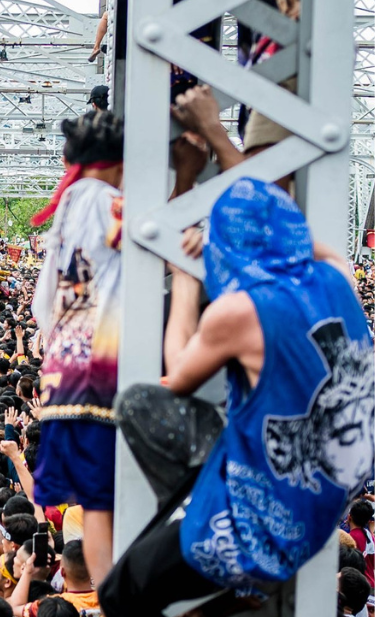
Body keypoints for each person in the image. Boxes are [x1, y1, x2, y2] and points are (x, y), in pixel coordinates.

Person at [100, 177, 373, 616]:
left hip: (263, 524)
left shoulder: (241, 309)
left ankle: (230, 578)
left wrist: (187, 281)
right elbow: (317, 248)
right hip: (328, 504)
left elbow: (180, 374)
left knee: (120, 593)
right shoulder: (338, 276)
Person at [28, 110, 123, 587]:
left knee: (97, 502)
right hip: (100, 372)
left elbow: (40, 305)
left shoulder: (69, 207)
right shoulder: (105, 201)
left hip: (63, 373)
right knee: (108, 499)